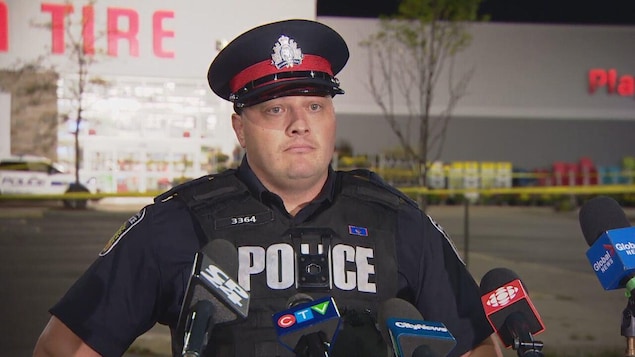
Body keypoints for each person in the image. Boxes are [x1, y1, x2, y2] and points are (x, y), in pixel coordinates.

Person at [33, 19, 503, 357]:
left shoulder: (400, 222)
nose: (300, 124)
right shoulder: (178, 223)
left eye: (315, 107)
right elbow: (64, 347)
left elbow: (480, 347)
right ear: (240, 128)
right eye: (276, 110)